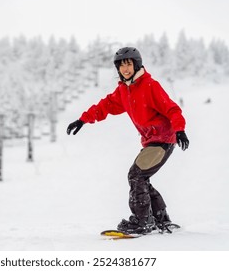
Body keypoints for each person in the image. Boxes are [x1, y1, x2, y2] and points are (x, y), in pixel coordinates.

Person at [66, 47, 189, 234]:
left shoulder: (150, 85)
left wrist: (180, 130)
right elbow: (105, 106)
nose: (125, 69)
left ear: (136, 64)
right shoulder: (124, 90)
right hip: (151, 142)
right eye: (121, 65)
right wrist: (83, 119)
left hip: (163, 140)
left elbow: (172, 109)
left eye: (129, 64)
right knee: (141, 177)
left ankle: (142, 222)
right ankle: (159, 217)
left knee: (136, 175)